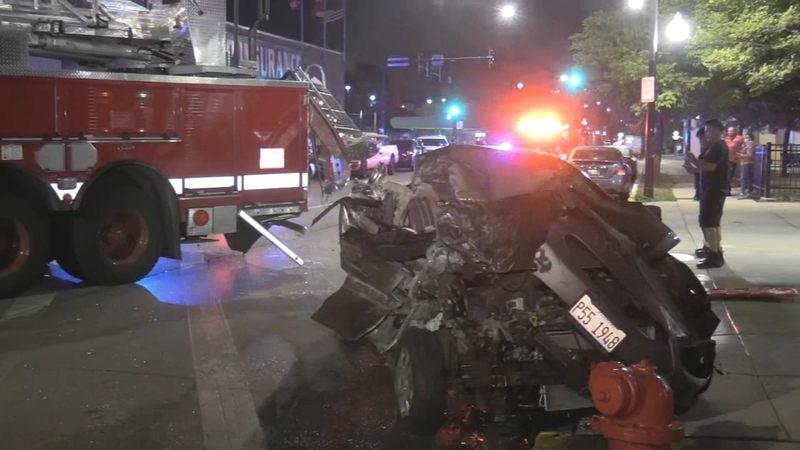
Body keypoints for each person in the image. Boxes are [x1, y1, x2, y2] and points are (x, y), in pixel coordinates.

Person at [685, 119, 729, 269]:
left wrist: (693, 160)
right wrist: (693, 167)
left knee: (708, 222)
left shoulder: (719, 147)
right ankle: (715, 253)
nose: (707, 135)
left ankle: (714, 254)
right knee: (712, 222)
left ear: (718, 131)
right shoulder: (715, 147)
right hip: (711, 188)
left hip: (713, 189)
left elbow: (710, 167)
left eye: (709, 131)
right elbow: (703, 168)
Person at [725, 127, 744, 196]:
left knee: (732, 176)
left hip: (736, 160)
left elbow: (746, 146)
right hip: (726, 160)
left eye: (731, 131)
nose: (730, 133)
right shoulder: (726, 139)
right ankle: (727, 191)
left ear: (735, 131)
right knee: (727, 176)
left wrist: (741, 153)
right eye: (729, 131)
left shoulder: (740, 138)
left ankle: (743, 190)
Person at [739, 133, 756, 198]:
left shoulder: (750, 144)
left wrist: (741, 155)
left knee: (744, 178)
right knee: (746, 178)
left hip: (748, 162)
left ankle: (745, 192)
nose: (745, 139)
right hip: (745, 162)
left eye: (747, 137)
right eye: (745, 137)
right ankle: (746, 192)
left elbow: (750, 155)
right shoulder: (746, 145)